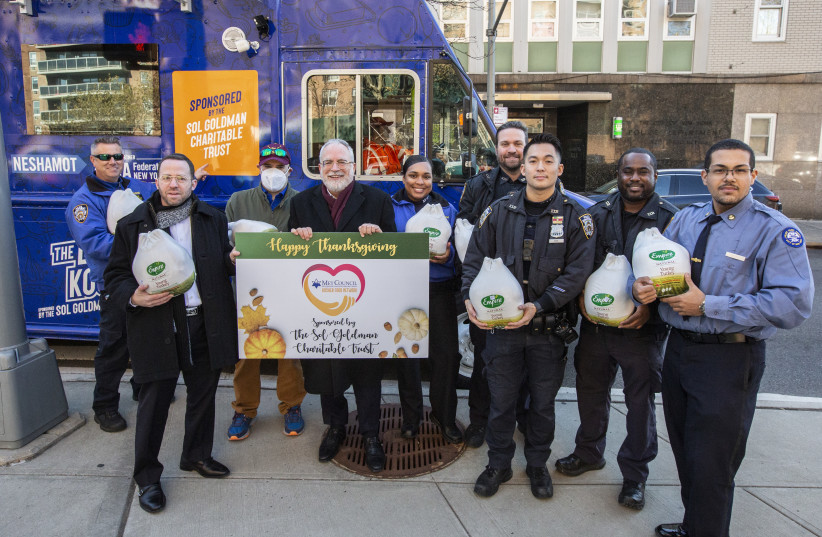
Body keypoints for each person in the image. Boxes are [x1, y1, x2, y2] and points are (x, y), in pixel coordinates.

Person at [632, 139, 813, 537]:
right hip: (679, 351)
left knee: (713, 462)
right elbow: (660, 271)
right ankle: (696, 524)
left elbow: (792, 305)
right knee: (685, 451)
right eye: (720, 170)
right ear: (705, 176)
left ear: (753, 176)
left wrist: (708, 305)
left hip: (729, 360)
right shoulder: (686, 220)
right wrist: (643, 288)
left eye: (738, 170)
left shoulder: (775, 231)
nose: (728, 178)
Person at [462, 133, 595, 499]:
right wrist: (469, 301)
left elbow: (576, 274)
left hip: (547, 332)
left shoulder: (576, 218)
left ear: (559, 168)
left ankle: (537, 465)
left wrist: (541, 304)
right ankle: (498, 464)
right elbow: (473, 261)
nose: (540, 167)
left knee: (542, 405)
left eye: (548, 161)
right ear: (524, 167)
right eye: (533, 161)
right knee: (501, 402)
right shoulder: (498, 212)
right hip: (502, 331)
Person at [104, 153, 238, 514]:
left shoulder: (212, 218)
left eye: (181, 178)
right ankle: (147, 476)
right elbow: (115, 276)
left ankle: (196, 456)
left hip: (203, 322)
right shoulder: (134, 224)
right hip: (158, 326)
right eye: (167, 178)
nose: (174, 184)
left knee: (203, 395)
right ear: (158, 181)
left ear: (194, 183)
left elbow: (221, 262)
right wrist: (132, 296)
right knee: (154, 403)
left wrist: (234, 260)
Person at [554, 148, 678, 511]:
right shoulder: (596, 214)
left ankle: (635, 476)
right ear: (618, 174)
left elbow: (678, 277)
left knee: (640, 404)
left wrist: (649, 309)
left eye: (643, 171)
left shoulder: (671, 220)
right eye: (628, 171)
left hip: (642, 331)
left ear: (655, 175)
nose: (635, 178)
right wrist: (579, 302)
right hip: (596, 327)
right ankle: (589, 452)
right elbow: (580, 264)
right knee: (590, 392)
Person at [288, 138, 396, 472]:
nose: (335, 168)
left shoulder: (377, 200)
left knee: (367, 373)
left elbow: (395, 253)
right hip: (319, 304)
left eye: (342, 162)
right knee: (326, 370)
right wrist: (296, 237)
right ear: (319, 168)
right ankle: (335, 428)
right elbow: (288, 257)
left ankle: (370, 435)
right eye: (328, 163)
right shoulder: (302, 202)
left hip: (364, 305)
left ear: (354, 166)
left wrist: (379, 238)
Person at [65, 136, 156, 432]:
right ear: (93, 161)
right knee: (114, 347)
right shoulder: (83, 201)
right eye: (105, 157)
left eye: (117, 156)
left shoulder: (137, 189)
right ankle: (104, 406)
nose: (113, 162)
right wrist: (140, 244)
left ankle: (141, 386)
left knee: (146, 340)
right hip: (116, 284)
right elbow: (94, 244)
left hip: (148, 278)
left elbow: (160, 215)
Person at [225, 143, 307, 440]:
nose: (273, 172)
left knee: (289, 350)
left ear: (290, 171)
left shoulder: (302, 201)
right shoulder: (238, 200)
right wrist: (230, 255)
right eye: (267, 166)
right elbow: (227, 241)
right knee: (247, 354)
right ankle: (244, 409)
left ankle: (292, 405)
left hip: (288, 288)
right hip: (250, 289)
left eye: (279, 167)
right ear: (258, 169)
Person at [456, 120, 529, 449]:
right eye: (505, 144)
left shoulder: (543, 182)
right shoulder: (478, 185)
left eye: (518, 143)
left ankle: (523, 419)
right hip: (486, 290)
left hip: (527, 289)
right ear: (497, 149)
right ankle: (478, 421)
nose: (511, 149)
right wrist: (468, 290)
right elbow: (463, 233)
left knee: (526, 361)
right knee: (484, 362)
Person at [391, 155, 462, 443]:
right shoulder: (389, 206)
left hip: (440, 289)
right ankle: (411, 418)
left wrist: (450, 256)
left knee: (445, 357)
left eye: (426, 177)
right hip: (403, 290)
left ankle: (444, 416)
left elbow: (461, 247)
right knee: (407, 357)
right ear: (403, 177)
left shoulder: (448, 209)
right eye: (413, 175)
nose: (420, 182)